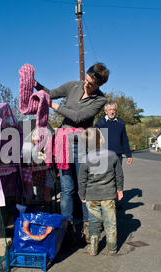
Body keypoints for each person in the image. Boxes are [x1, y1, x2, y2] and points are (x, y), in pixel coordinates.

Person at [35, 63, 110, 247]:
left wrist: (55, 106)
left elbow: (78, 117)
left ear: (99, 85)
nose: (86, 85)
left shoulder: (100, 100)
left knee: (84, 189)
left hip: (84, 144)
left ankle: (88, 229)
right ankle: (66, 229)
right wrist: (35, 84)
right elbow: (50, 93)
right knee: (67, 189)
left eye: (91, 84)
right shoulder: (73, 85)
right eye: (86, 80)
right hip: (64, 144)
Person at [77, 127, 124, 256]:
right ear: (102, 140)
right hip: (108, 194)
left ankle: (93, 248)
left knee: (94, 222)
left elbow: (82, 179)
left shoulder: (85, 159)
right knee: (110, 222)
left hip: (91, 196)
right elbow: (119, 175)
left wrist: (82, 194)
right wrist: (119, 189)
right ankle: (112, 248)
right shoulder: (112, 155)